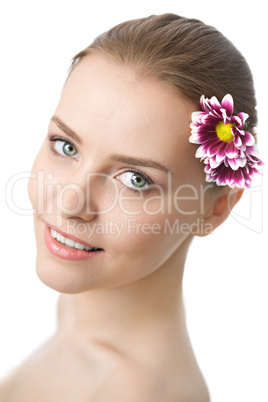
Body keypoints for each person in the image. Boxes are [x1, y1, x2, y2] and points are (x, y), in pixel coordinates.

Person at [0, 13, 262, 402]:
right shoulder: (79, 309)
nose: (71, 201)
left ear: (215, 210)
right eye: (66, 146)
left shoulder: (141, 393)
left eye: (136, 179)